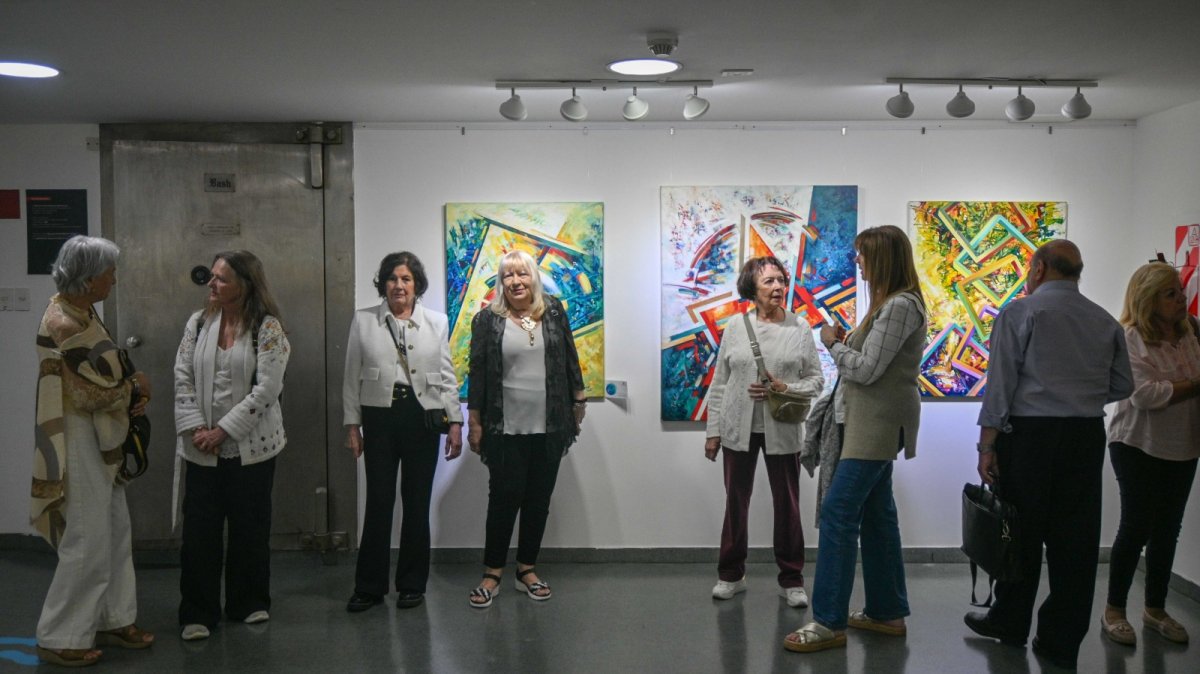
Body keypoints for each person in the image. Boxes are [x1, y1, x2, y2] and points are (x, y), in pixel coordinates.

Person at [963, 240, 1133, 670]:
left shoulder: (1021, 313)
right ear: (1077, 272)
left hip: (1029, 435)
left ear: (1038, 269)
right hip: (1084, 435)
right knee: (1075, 541)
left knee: (1018, 532)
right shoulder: (1103, 320)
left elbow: (1000, 387)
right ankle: (1060, 640)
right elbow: (1123, 385)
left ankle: (1010, 621)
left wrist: (987, 445)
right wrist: (1080, 396)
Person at [785, 225, 927, 653]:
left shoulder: (900, 305)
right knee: (878, 517)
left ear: (882, 257)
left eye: (862, 254)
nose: (857, 261)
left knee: (838, 512)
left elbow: (865, 370)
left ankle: (828, 621)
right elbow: (873, 361)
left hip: (876, 425)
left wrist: (832, 343)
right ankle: (887, 611)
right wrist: (849, 344)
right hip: (870, 423)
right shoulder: (889, 304)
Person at [33, 235, 155, 666]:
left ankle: (112, 617)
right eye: (109, 272)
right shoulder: (65, 323)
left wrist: (129, 390)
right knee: (87, 537)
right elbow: (87, 394)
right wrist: (134, 387)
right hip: (78, 436)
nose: (114, 280)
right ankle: (60, 634)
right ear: (88, 279)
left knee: (115, 529)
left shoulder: (81, 311)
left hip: (99, 436)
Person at [173, 250, 290, 641]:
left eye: (222, 278)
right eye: (213, 276)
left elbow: (267, 389)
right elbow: (182, 375)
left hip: (251, 447)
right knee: (199, 533)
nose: (212, 283)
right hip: (201, 446)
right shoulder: (198, 323)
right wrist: (196, 428)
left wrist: (222, 431)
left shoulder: (267, 328)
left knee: (250, 527)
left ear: (245, 285)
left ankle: (248, 601)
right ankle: (198, 612)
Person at [343, 252, 464, 612]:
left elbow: (447, 376)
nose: (399, 285)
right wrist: (352, 425)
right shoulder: (364, 320)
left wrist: (455, 422)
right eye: (392, 278)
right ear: (383, 284)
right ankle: (369, 586)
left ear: (416, 285)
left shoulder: (437, 322)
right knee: (378, 502)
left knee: (416, 502)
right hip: (378, 417)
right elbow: (350, 376)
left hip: (421, 418)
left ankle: (412, 584)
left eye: (406, 279)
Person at [466, 250, 586, 607]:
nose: (516, 281)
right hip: (504, 427)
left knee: (538, 500)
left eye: (522, 274)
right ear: (501, 282)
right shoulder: (487, 319)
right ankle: (492, 573)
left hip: (550, 425)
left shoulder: (553, 312)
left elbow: (570, 356)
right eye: (508, 275)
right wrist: (474, 420)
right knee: (503, 500)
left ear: (534, 277)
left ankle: (526, 570)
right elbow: (477, 372)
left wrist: (579, 399)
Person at [704, 256, 824, 607]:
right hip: (737, 428)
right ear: (751, 288)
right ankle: (731, 574)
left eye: (781, 280)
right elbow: (720, 383)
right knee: (735, 503)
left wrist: (785, 388)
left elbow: (816, 380)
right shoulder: (735, 327)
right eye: (769, 281)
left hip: (783, 428)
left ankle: (792, 579)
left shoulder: (799, 327)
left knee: (787, 505)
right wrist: (713, 431)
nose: (778, 287)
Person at [1101, 262, 1200, 646]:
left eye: (1180, 291)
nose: (1181, 299)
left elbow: (1169, 388)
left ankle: (1155, 609)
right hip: (1136, 443)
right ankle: (1114, 610)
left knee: (1168, 529)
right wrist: (1194, 384)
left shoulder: (1189, 333)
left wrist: (1183, 385)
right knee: (1136, 526)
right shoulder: (1131, 338)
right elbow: (1145, 395)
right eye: (1171, 293)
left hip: (1183, 443)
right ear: (1148, 299)